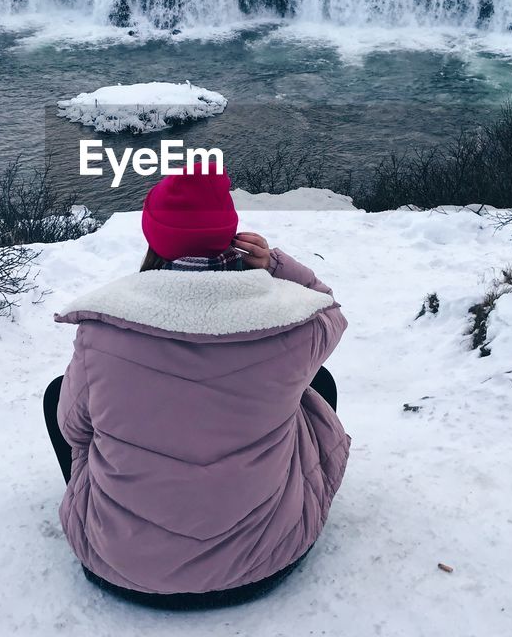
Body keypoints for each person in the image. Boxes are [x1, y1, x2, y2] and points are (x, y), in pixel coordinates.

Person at [45, 161, 349, 609]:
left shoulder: (103, 332)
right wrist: (276, 265)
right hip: (267, 560)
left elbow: (74, 430)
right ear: (231, 235)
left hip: (123, 567)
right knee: (315, 382)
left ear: (154, 239)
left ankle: (113, 513)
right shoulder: (292, 327)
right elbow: (330, 310)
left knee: (61, 395)